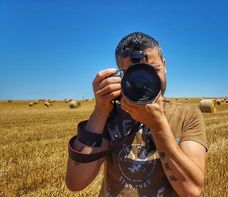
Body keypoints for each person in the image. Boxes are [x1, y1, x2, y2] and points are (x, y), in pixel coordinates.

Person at [65, 32, 208, 196]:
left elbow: (191, 190)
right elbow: (76, 182)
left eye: (153, 70)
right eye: (133, 74)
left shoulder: (187, 115)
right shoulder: (109, 116)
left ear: (165, 65)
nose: (144, 81)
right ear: (119, 76)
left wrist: (158, 125)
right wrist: (100, 111)